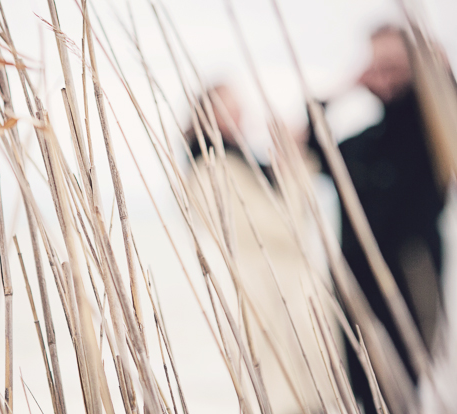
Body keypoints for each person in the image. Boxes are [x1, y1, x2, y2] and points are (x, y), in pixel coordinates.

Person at [308, 25, 449, 413]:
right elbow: (308, 145)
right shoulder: (363, 143)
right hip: (354, 281)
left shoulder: (432, 131)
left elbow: (448, 104)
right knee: (364, 390)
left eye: (394, 65)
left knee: (405, 385)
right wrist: (343, 88)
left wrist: (433, 67)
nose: (384, 75)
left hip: (411, 271)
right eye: (377, 65)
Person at [186, 84, 339, 414]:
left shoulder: (240, 164)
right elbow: (284, 231)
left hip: (286, 292)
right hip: (270, 293)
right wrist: (289, 163)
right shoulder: (213, 169)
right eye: (227, 107)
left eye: (238, 106)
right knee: (289, 389)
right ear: (204, 114)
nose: (238, 115)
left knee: (305, 386)